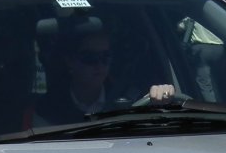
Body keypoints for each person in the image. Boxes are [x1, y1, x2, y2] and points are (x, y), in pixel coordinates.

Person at [31, 28, 175, 126]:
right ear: (70, 61)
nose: (99, 65)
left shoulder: (134, 98)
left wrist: (162, 100)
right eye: (90, 57)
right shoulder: (47, 108)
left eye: (105, 57)